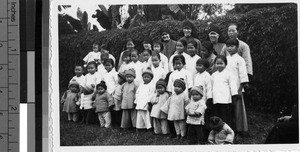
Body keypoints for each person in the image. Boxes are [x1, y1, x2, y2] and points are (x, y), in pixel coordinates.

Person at [225, 38, 249, 134]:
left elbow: (243, 75)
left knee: (238, 110)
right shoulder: (226, 59)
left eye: (232, 46)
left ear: (237, 47)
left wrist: (240, 89)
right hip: (227, 88)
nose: (229, 48)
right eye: (228, 46)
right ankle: (230, 129)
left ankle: (240, 129)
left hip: (237, 88)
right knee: (229, 109)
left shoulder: (240, 59)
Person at [211, 55, 238, 128]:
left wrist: (234, 97)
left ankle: (227, 132)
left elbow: (233, 87)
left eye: (221, 63)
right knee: (217, 117)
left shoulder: (229, 74)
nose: (219, 65)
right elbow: (212, 87)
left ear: (225, 64)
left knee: (226, 118)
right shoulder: (213, 75)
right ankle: (218, 132)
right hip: (216, 100)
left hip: (225, 101)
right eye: (217, 63)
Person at [193, 58, 213, 140]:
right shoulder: (195, 75)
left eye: (200, 65)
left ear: (205, 67)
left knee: (203, 117)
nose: (198, 67)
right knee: (195, 116)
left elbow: (209, 88)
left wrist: (209, 100)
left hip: (203, 100)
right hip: (195, 99)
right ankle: (196, 133)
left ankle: (205, 134)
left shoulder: (207, 76)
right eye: (197, 65)